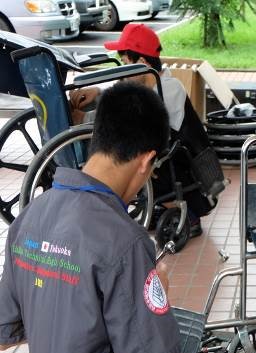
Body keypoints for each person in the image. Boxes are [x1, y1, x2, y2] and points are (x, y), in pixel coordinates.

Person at [0, 82, 256, 353]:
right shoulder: (124, 242)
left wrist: (64, 311)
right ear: (147, 161)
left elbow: (5, 331)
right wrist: (154, 293)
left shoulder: (33, 214)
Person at [70, 23, 221, 238]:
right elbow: (126, 97)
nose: (122, 70)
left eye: (125, 63)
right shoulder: (148, 84)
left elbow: (129, 118)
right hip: (163, 159)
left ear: (141, 63)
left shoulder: (169, 88)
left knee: (128, 155)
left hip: (184, 170)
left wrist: (85, 119)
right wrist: (98, 92)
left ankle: (187, 216)